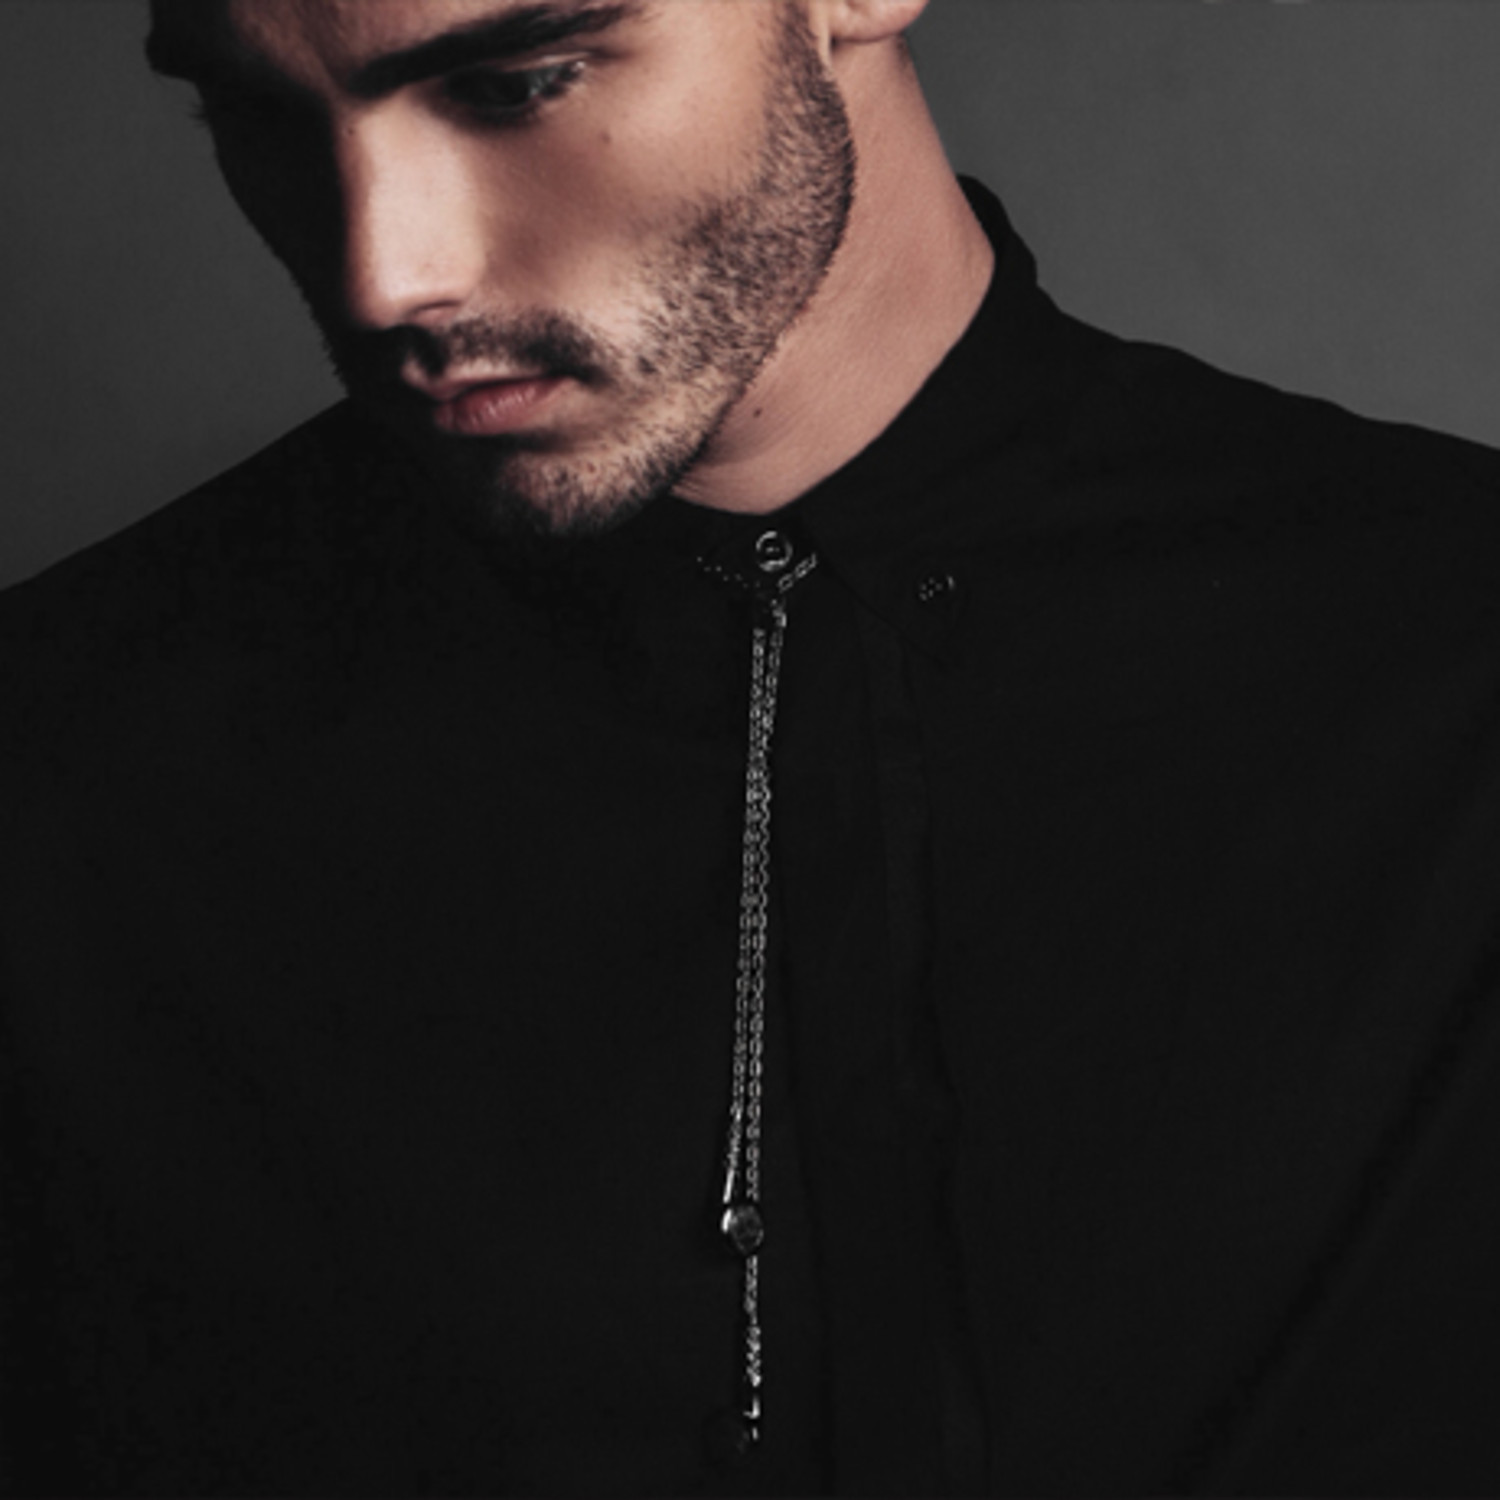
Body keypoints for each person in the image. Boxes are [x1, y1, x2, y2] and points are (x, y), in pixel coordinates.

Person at [4, 0, 1500, 1493]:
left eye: (517, 83)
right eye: (259, 115)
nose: (384, 274)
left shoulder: (1448, 647)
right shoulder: (66, 770)